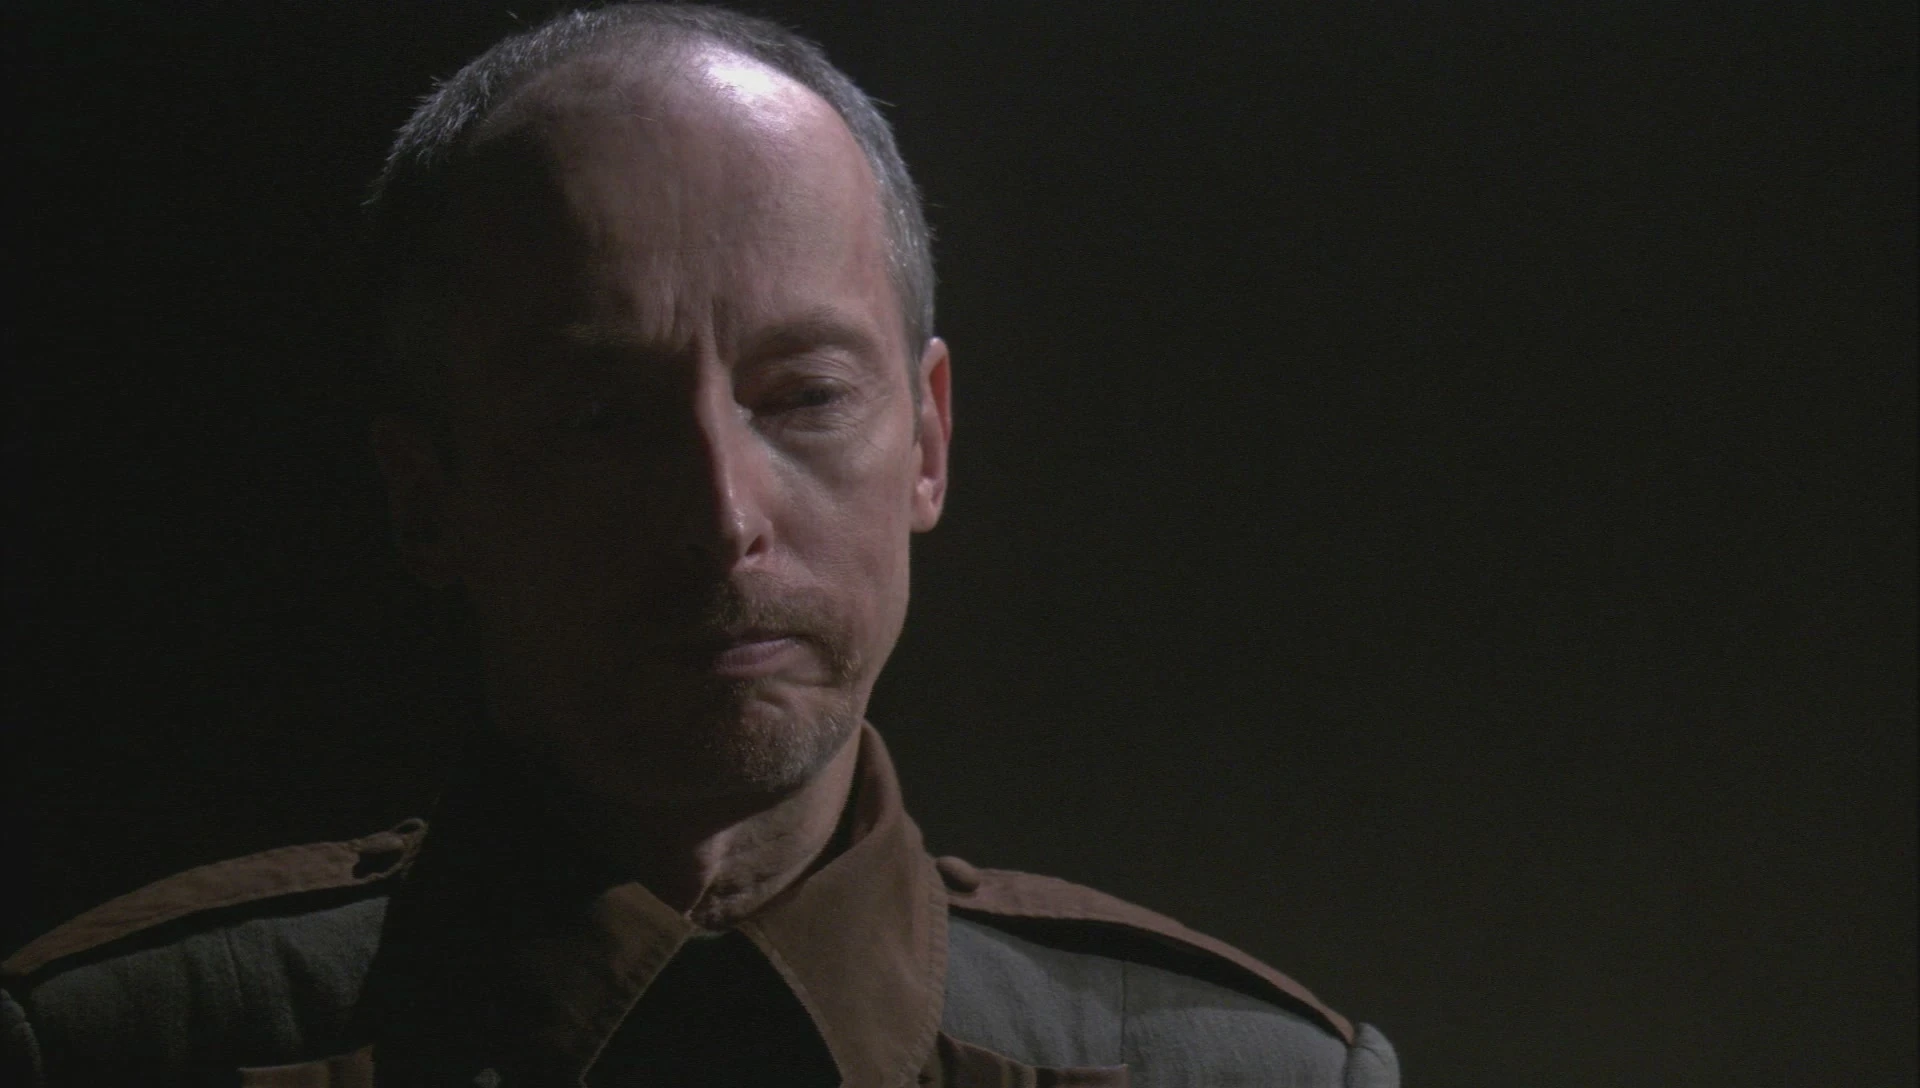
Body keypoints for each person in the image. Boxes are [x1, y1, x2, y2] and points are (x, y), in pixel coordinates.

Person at [2, 6, 1399, 1085]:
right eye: (600, 419)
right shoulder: (113, 1052)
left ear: (927, 441)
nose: (724, 517)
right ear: (428, 497)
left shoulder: (1245, 1074)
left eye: (804, 397)